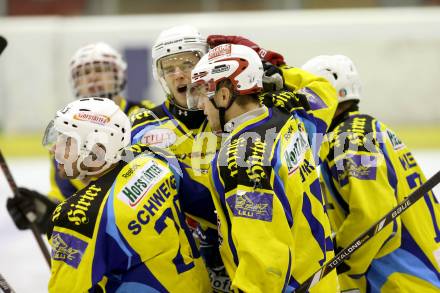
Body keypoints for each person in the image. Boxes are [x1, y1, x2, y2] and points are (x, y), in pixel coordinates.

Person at [187, 43, 339, 292]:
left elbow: (265, 262)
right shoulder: (290, 117)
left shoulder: (240, 158)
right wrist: (276, 71)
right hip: (322, 282)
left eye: (204, 96)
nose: (202, 108)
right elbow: (324, 92)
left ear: (224, 95)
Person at [302, 54, 440, 292]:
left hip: (404, 281)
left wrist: (342, 266)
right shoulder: (367, 129)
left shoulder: (350, 141)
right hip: (421, 270)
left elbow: (373, 216)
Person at [43, 97, 210, 292]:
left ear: (96, 148)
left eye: (67, 140)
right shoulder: (153, 157)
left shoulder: (76, 218)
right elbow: (208, 208)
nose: (55, 148)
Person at [7, 42, 155, 234]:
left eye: (101, 70)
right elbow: (63, 200)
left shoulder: (148, 116)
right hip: (104, 235)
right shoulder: (64, 140)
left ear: (120, 75)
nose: (92, 78)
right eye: (83, 74)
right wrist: (42, 212)